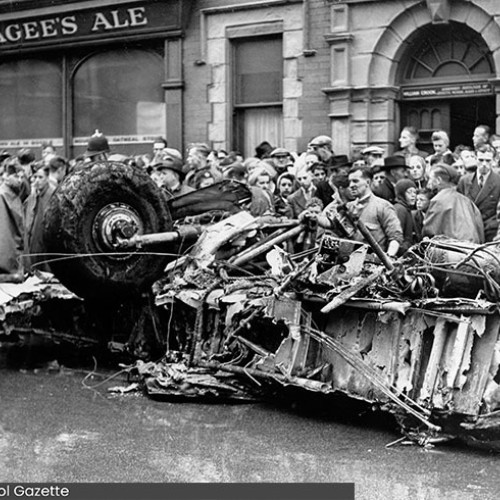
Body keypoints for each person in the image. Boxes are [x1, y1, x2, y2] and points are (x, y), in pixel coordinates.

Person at [319, 165, 403, 257]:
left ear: (367, 182)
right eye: (349, 182)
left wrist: (389, 256)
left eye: (355, 181)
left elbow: (395, 237)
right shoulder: (347, 208)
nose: (351, 185)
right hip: (349, 264)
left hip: (375, 264)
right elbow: (333, 234)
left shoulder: (383, 206)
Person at [423, 163, 484, 243]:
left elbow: (428, 232)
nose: (429, 183)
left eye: (430, 179)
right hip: (473, 250)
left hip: (452, 250)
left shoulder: (438, 200)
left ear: (438, 180)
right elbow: (480, 232)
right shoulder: (467, 201)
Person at [457, 144, 500, 242]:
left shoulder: (498, 182)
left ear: (494, 160)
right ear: (475, 158)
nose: (484, 164)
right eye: (481, 160)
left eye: (488, 160)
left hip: (490, 234)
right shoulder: (464, 181)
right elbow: (458, 209)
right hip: (468, 232)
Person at [23, 163, 56, 272]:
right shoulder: (31, 198)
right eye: (35, 177)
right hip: (33, 247)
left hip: (46, 250)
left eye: (40, 177)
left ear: (47, 178)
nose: (37, 180)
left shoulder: (53, 197)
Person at [0, 162, 24, 275]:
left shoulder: (11, 192)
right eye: (16, 176)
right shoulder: (4, 195)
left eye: (21, 177)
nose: (19, 180)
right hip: (8, 249)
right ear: (7, 176)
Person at [393, 179, 417, 255]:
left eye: (415, 192)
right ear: (401, 194)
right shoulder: (400, 209)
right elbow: (397, 236)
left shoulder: (406, 208)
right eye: (409, 192)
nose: (413, 195)